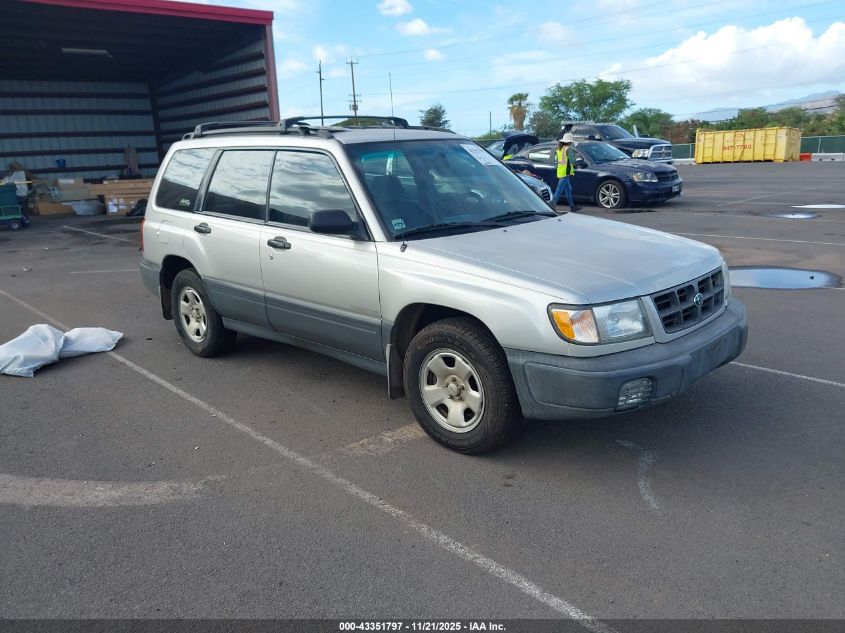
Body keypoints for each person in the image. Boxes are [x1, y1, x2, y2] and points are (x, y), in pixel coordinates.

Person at [553, 133, 581, 212]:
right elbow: (572, 161)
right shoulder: (568, 149)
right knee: (558, 191)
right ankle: (551, 207)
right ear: (569, 142)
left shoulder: (559, 149)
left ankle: (572, 207)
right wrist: (576, 161)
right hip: (565, 172)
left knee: (568, 189)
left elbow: (558, 160)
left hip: (561, 171)